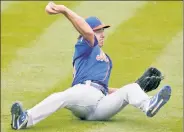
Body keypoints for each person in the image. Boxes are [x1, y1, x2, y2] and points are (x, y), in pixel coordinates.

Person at [10, 2, 171, 130]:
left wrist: (137, 89)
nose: (102, 34)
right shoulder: (84, 46)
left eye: (102, 30)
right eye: (98, 31)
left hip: (101, 106)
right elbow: (87, 32)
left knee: (131, 87)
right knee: (60, 97)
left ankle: (148, 104)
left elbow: (106, 89)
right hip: (82, 94)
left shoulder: (107, 60)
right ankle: (24, 120)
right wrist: (65, 10)